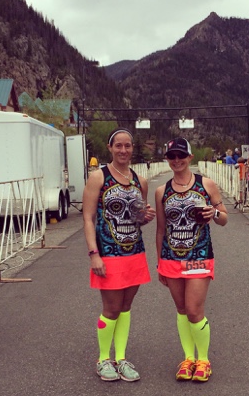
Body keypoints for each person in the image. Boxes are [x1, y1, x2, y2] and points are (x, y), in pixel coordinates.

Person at [82, 128, 156, 382]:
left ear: (132, 148)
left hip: (134, 252)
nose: (123, 150)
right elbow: (88, 218)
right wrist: (94, 253)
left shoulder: (140, 181)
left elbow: (137, 218)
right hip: (108, 253)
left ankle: (121, 358)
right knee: (111, 308)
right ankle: (103, 359)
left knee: (125, 307)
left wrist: (145, 217)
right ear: (110, 148)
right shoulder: (98, 177)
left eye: (128, 146)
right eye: (118, 146)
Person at [155, 137, 228, 383]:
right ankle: (188, 358)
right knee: (182, 310)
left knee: (195, 310)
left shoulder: (206, 184)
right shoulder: (161, 191)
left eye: (181, 156)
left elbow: (224, 218)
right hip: (171, 258)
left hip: (199, 256)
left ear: (190, 157)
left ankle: (203, 360)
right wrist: (159, 262)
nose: (177, 160)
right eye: (172, 156)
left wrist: (214, 213)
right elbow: (160, 230)